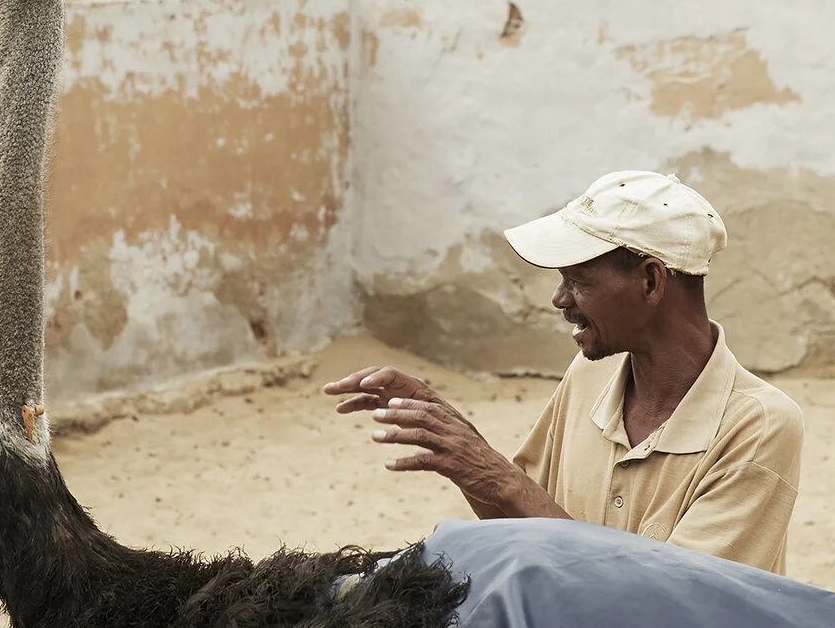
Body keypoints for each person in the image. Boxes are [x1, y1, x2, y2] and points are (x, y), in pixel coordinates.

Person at [323, 170, 806, 573]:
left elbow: (668, 610)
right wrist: (459, 446)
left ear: (651, 280)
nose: (559, 300)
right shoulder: (590, 377)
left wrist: (499, 478)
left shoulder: (759, 426)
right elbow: (526, 529)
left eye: (577, 281)